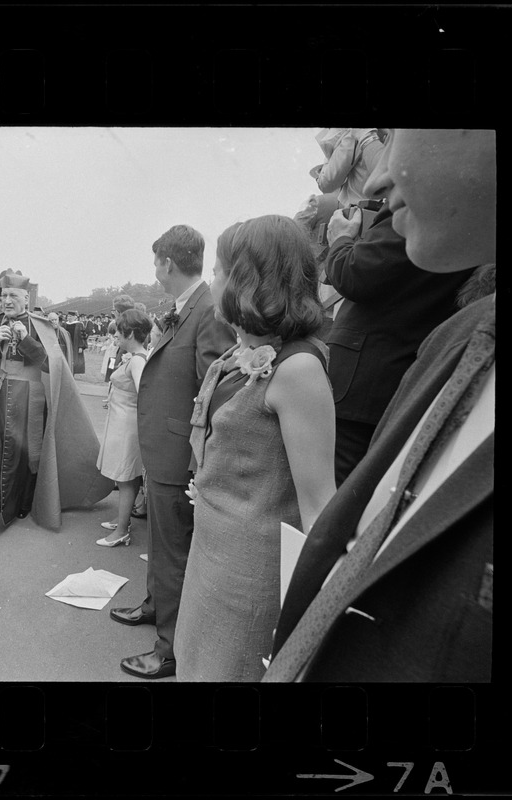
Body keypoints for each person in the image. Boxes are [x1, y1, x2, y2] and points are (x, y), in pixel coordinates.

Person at [263, 129, 495, 683]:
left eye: (402, 135)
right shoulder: (459, 338)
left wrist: (341, 238)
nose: (380, 178)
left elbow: (356, 275)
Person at [174, 216, 337, 681]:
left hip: (249, 577)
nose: (212, 281)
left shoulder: (298, 369)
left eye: (221, 270)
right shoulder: (238, 352)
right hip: (211, 556)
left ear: (249, 280)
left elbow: (320, 507)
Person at [110, 224, 237, 680]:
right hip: (164, 450)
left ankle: (170, 648)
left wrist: (195, 462)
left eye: (156, 264)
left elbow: (214, 392)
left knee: (173, 551)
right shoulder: (190, 306)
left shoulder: (207, 311)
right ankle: (156, 605)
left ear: (166, 262)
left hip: (177, 455)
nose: (156, 273)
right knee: (161, 545)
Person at [0, 269, 113, 540]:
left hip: (30, 400)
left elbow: (51, 366)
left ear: (26, 299)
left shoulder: (41, 326)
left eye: (13, 296)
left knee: (25, 458)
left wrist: (26, 340)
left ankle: (20, 504)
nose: (7, 300)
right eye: (4, 295)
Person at [323, 197, 476, 485]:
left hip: (362, 382)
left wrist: (340, 239)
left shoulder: (421, 199)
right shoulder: (469, 211)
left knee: (337, 494)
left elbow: (356, 273)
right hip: (400, 374)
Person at [95, 309, 152, 546]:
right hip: (120, 424)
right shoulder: (133, 357)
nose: (116, 335)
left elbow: (145, 394)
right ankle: (123, 521)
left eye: (119, 331)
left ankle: (121, 531)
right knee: (125, 477)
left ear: (129, 332)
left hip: (127, 428)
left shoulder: (137, 360)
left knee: (127, 478)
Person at [310, 128, 385, 208]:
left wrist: (328, 158)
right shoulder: (389, 133)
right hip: (382, 204)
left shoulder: (353, 135)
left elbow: (327, 183)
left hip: (361, 209)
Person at [64, 310, 87, 375]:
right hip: (67, 345)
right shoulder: (65, 324)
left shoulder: (79, 324)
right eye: (68, 316)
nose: (69, 317)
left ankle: (72, 373)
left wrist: (81, 346)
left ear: (75, 317)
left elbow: (82, 336)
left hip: (76, 345)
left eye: (70, 316)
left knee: (74, 360)